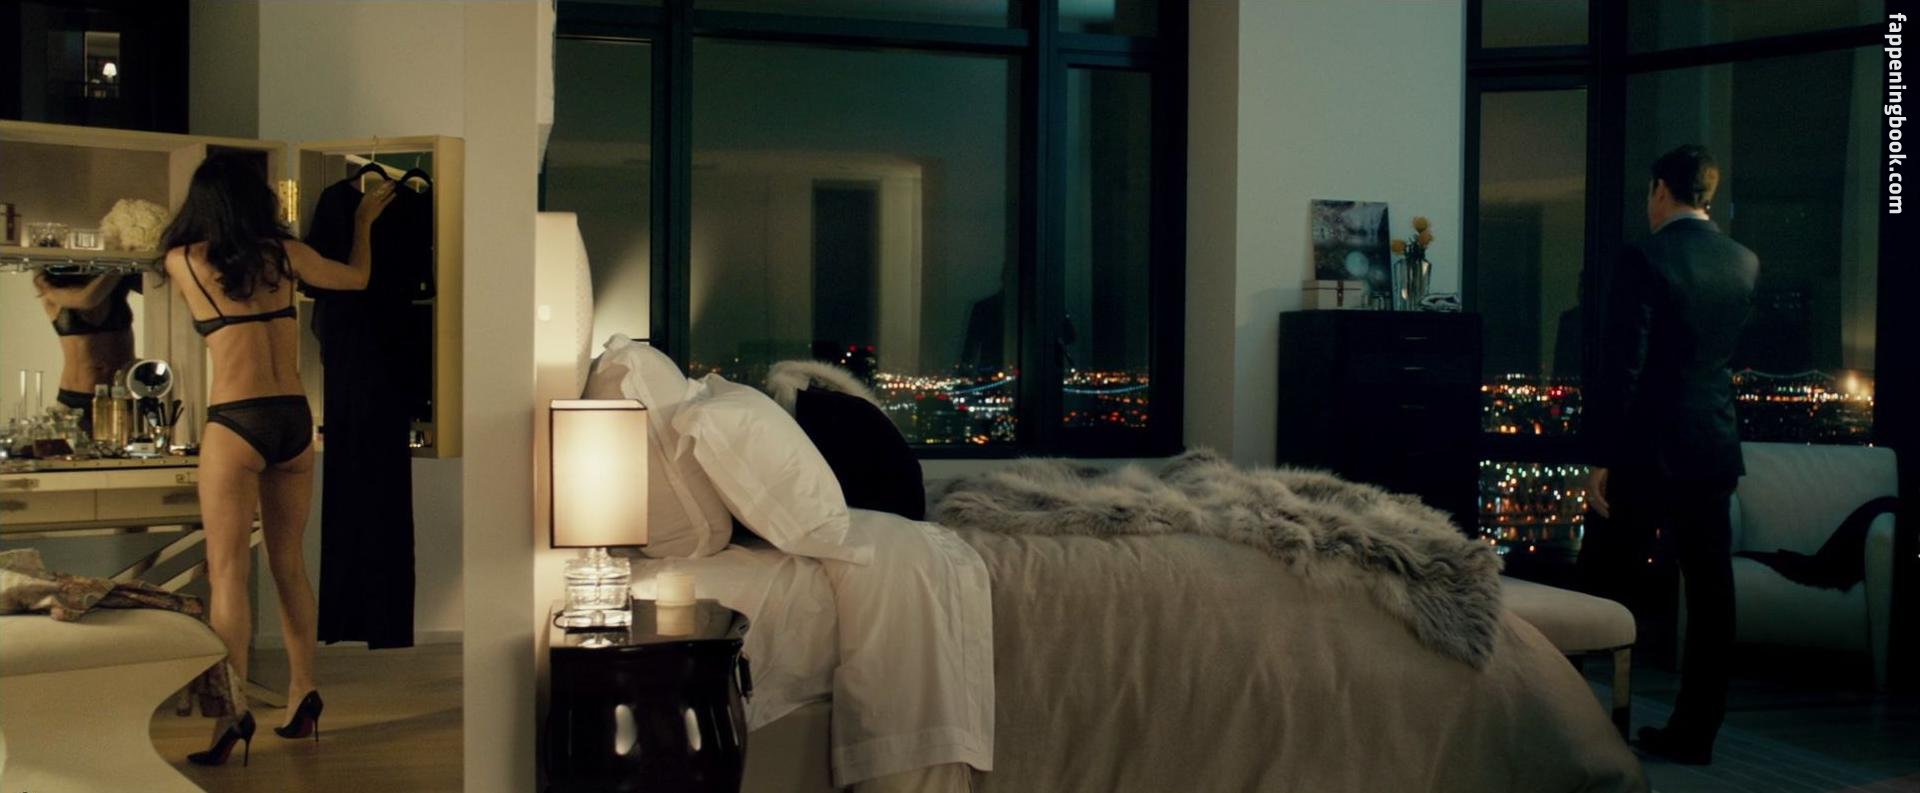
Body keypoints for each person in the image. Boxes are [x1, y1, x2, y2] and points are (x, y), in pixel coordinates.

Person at [158, 154, 395, 766]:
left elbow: (175, 260)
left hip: (236, 421)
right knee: (289, 565)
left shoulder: (184, 259)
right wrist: (363, 222)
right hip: (293, 419)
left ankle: (231, 715)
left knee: (228, 574)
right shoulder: (285, 254)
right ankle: (303, 691)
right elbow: (357, 279)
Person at [1584, 144, 1757, 764]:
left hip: (1646, 449)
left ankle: (1573, 721)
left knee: (1602, 583)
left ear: (1660, 189)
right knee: (1711, 593)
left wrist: (1602, 454)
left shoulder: (1645, 257)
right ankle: (1695, 733)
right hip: (1712, 444)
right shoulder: (1743, 261)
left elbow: (1624, 366)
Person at [32, 271, 137, 431]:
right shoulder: (50, 287)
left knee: (135, 447)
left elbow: (156, 285)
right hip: (76, 401)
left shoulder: (110, 282)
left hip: (121, 396)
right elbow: (86, 299)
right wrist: (120, 267)